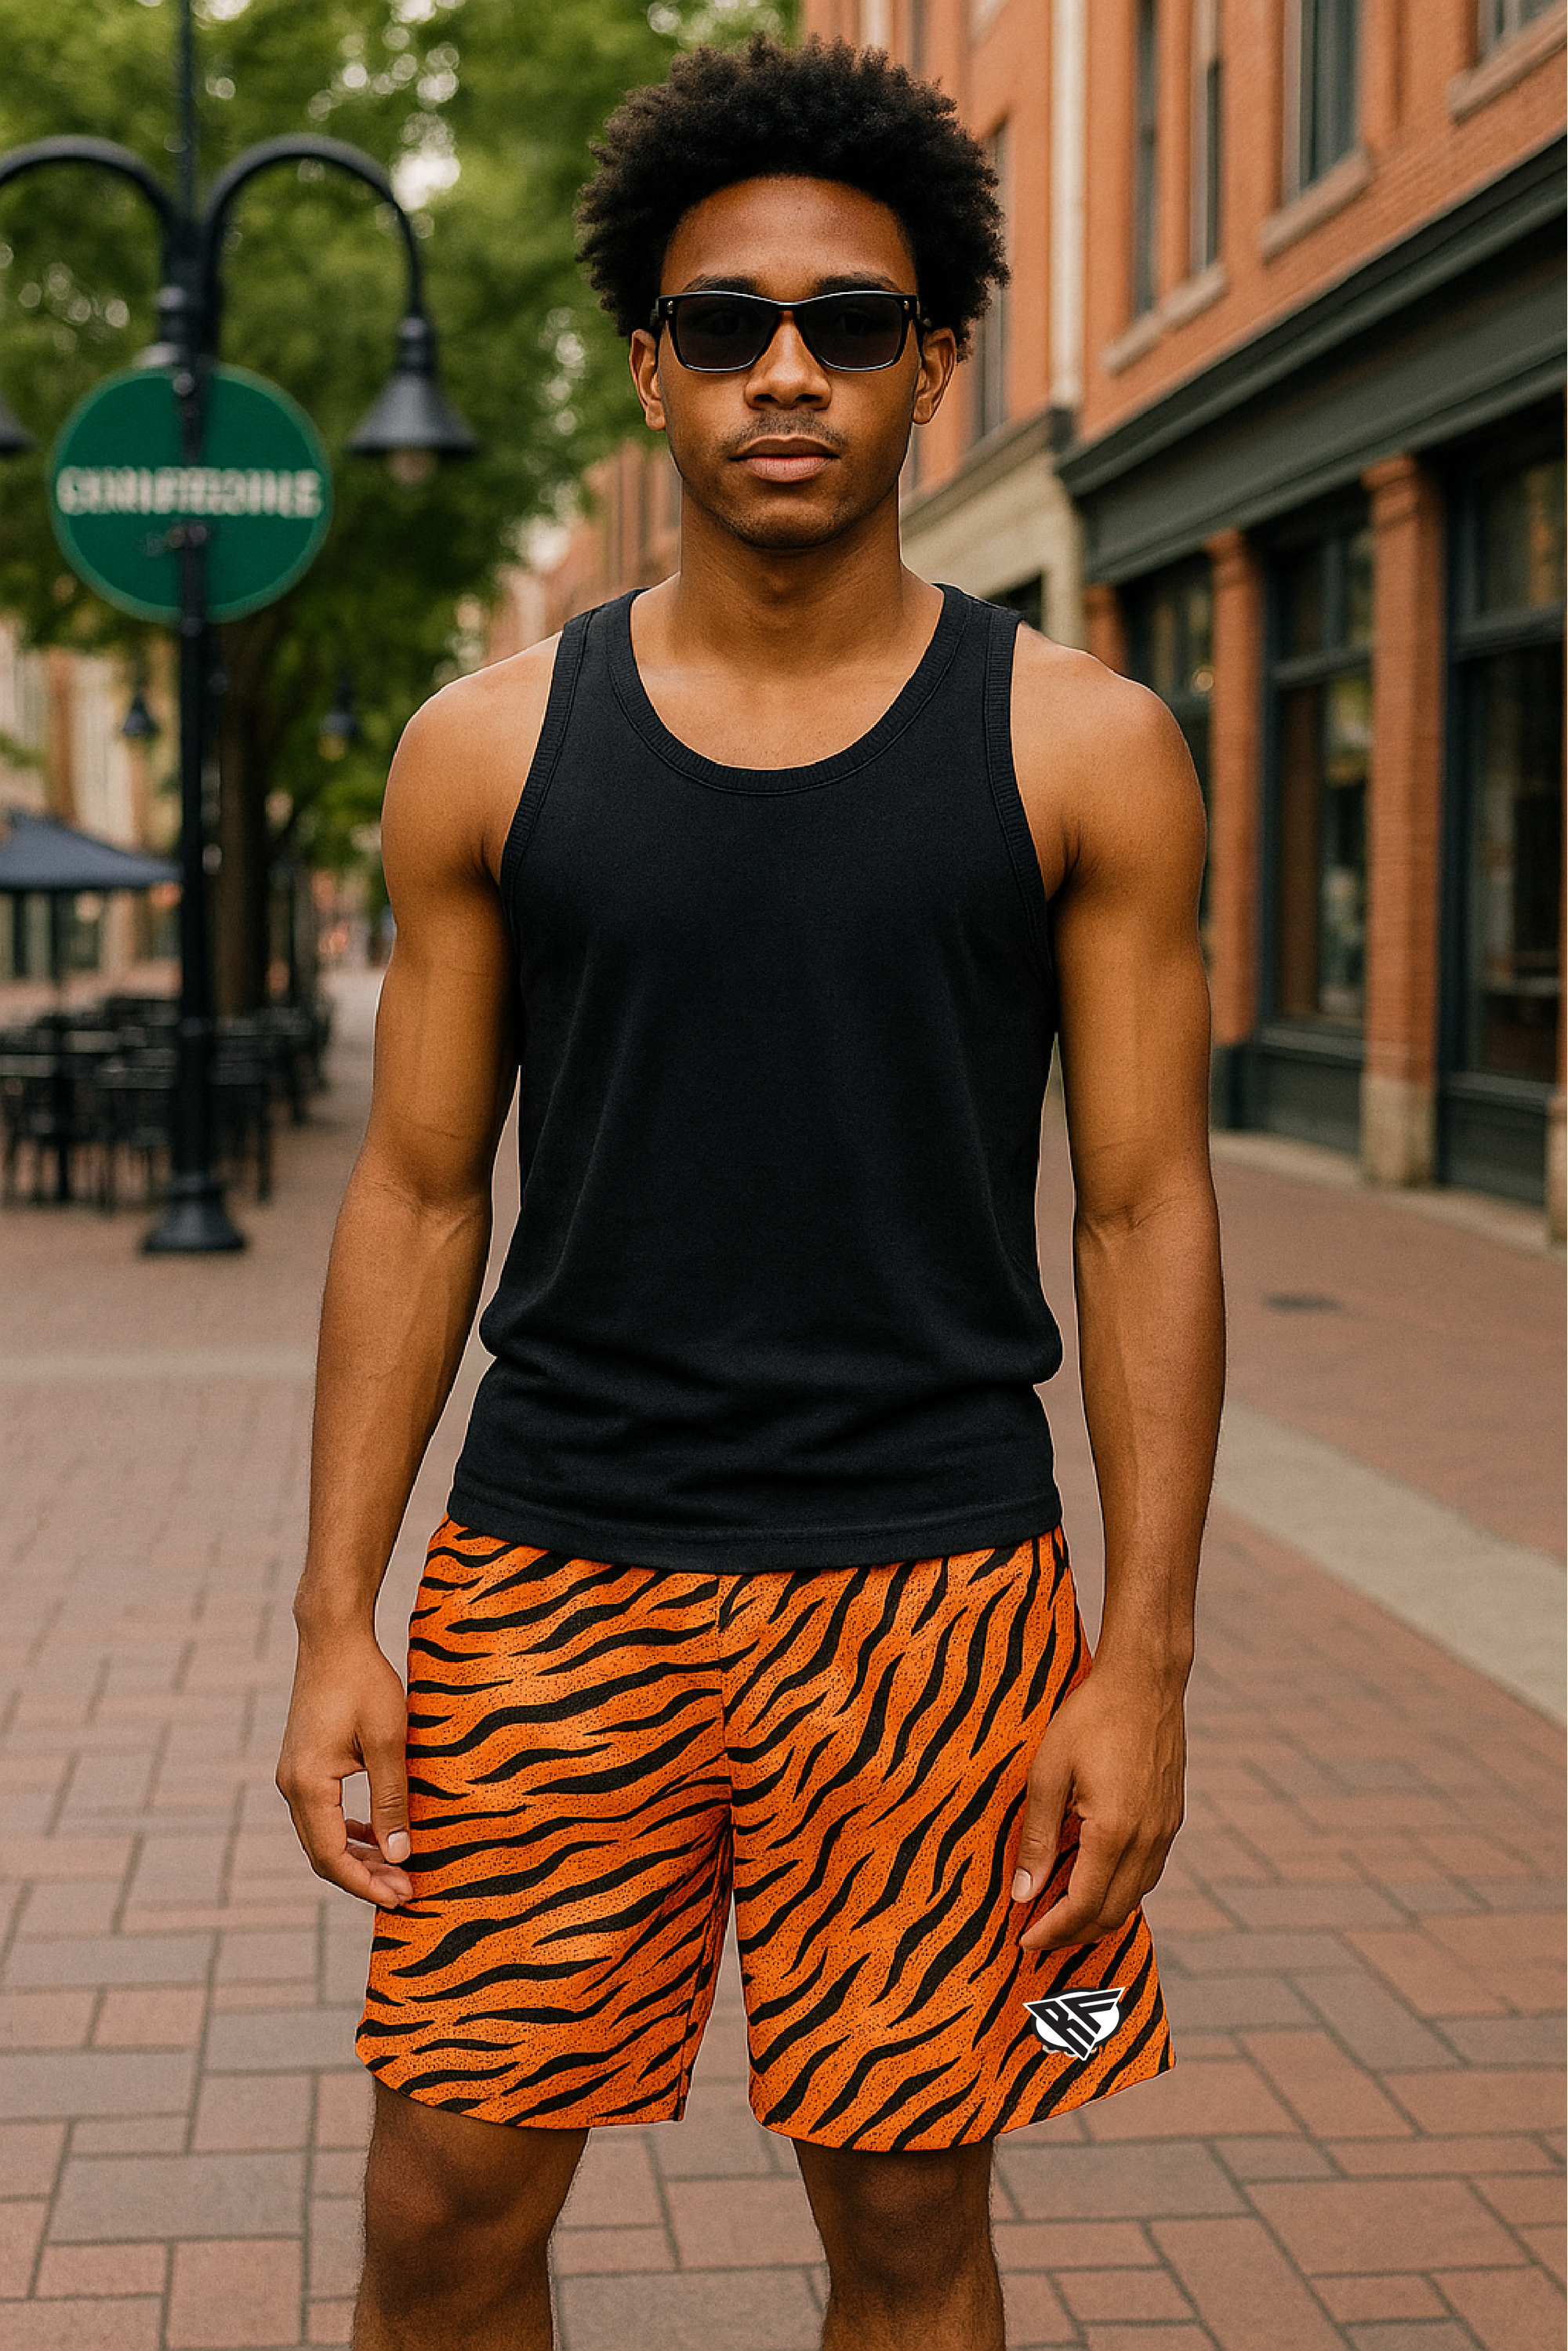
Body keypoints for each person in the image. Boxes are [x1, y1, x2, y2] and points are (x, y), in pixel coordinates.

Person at [277, 35, 1223, 2351]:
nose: (784, 371)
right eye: (726, 324)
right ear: (649, 366)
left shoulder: (1086, 742)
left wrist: (1152, 1660)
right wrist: (335, 1615)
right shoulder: (488, 746)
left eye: (849, 324)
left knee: (915, 2226)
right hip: (549, 1581)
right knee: (439, 2210)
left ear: (933, 365)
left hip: (940, 1603)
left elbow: (1147, 1209)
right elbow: (413, 1194)